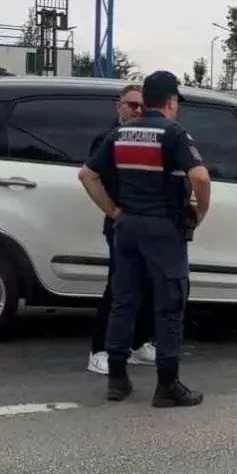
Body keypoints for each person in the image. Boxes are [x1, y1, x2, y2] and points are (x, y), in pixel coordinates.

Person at [79, 70, 211, 408]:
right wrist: (201, 212)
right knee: (169, 307)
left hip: (127, 229)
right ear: (170, 101)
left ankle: (117, 380)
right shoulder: (174, 133)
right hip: (164, 231)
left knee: (124, 302)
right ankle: (167, 386)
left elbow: (87, 175)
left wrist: (113, 212)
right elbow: (200, 177)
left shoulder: (120, 133)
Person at [85, 84, 156, 375]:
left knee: (149, 285)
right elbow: (90, 178)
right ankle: (98, 350)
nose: (136, 110)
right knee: (118, 287)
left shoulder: (147, 139)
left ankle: (138, 345)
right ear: (119, 106)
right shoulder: (107, 139)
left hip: (147, 225)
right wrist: (113, 212)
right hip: (121, 226)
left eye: (141, 106)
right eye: (131, 105)